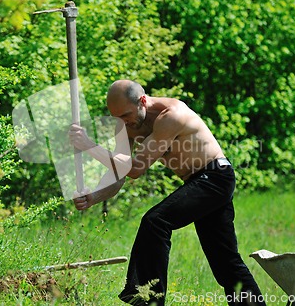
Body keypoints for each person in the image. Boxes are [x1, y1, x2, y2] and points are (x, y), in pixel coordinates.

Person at [68, 80, 266, 306]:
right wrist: (94, 196)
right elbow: (119, 173)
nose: (123, 122)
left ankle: (149, 300)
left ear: (142, 101)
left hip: (216, 175)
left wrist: (89, 145)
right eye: (116, 117)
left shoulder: (171, 116)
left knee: (155, 222)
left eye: (125, 115)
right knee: (225, 262)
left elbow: (135, 169)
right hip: (197, 181)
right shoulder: (125, 125)